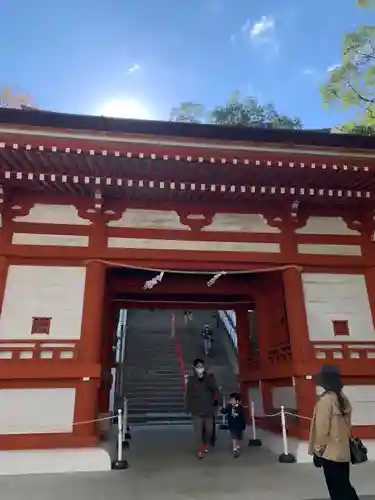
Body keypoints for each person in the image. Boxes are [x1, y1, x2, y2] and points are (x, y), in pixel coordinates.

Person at [308, 364, 359, 500]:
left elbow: (322, 431)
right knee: (345, 487)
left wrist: (318, 452)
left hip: (330, 454)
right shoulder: (343, 399)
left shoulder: (325, 401)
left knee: (336, 491)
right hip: (343, 451)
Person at [185, 358, 221, 459]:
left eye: (202, 366)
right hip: (196, 409)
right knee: (198, 432)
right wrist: (187, 406)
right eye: (198, 367)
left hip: (208, 408)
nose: (200, 369)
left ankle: (206, 442)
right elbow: (188, 394)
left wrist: (219, 401)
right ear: (195, 368)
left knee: (209, 429)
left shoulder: (209, 378)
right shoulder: (191, 380)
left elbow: (215, 389)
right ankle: (200, 450)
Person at [221, 392, 246, 457]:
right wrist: (223, 408)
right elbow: (224, 412)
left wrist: (243, 425)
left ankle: (238, 446)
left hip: (239, 425)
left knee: (239, 437)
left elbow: (242, 417)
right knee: (233, 437)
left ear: (237, 401)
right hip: (232, 425)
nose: (231, 401)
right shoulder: (229, 407)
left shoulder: (240, 408)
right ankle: (235, 449)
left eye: (232, 400)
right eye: (230, 400)